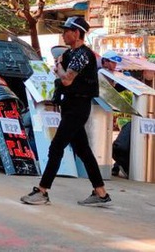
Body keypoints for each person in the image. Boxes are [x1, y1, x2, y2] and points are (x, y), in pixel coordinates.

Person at [21, 16, 112, 206]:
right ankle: (101, 193)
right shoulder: (73, 53)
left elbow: (66, 80)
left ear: (77, 33)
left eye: (66, 31)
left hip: (77, 108)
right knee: (83, 150)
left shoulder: (82, 55)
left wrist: (59, 66)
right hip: (71, 105)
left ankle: (43, 191)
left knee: (56, 147)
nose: (63, 35)